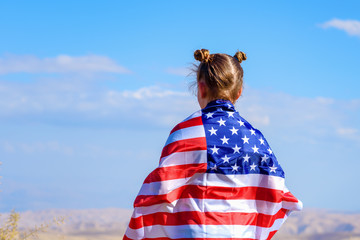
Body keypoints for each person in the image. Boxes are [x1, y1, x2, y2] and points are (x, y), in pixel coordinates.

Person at [123, 49, 302, 240]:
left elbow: (159, 192)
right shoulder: (256, 139)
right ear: (239, 92)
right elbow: (276, 194)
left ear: (200, 88)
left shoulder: (185, 133)